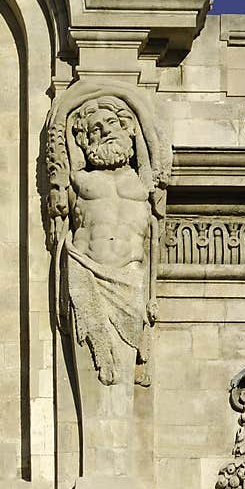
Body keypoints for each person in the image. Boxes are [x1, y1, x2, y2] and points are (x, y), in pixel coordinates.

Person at [63, 96, 154, 386]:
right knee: (99, 376)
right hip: (88, 270)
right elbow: (62, 138)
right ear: (86, 141)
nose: (104, 131)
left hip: (131, 275)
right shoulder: (79, 179)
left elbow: (154, 242)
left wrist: (151, 293)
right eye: (95, 129)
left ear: (128, 128)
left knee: (123, 380)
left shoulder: (144, 182)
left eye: (111, 122)